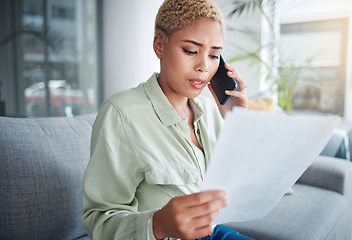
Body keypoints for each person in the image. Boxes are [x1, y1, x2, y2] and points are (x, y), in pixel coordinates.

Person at [81, 0, 250, 239]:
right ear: (159, 45)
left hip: (214, 231)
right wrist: (157, 224)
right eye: (191, 51)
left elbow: (236, 186)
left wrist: (237, 121)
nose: (203, 66)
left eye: (214, 55)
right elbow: (98, 220)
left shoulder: (211, 110)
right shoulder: (122, 114)